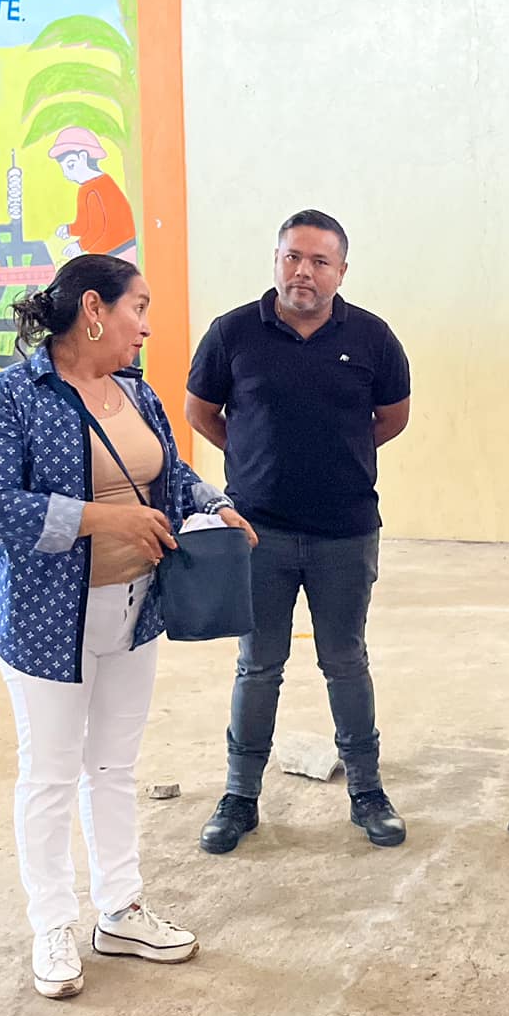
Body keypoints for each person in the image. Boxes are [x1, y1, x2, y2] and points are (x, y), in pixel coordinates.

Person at [0, 253, 254, 999]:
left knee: (114, 767)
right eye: (138, 307)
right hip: (46, 620)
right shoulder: (11, 398)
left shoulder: (137, 393)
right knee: (51, 773)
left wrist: (215, 504)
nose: (146, 325)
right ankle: (52, 923)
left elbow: (168, 473)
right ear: (94, 308)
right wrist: (102, 519)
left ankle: (120, 910)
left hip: (136, 608)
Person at [184, 209, 413, 854]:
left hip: (345, 532)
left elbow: (392, 417)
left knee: (346, 662)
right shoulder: (232, 333)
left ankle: (367, 791)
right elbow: (200, 411)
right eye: (293, 257)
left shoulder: (372, 337)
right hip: (258, 534)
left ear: (341, 271)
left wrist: (338, 459)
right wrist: (252, 461)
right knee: (258, 666)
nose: (303, 271)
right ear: (276, 260)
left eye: (319, 261)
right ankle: (240, 796)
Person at [48, 126, 137, 261]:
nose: (67, 175)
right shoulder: (85, 188)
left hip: (120, 251)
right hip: (106, 253)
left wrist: (79, 246)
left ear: (83, 157)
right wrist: (69, 229)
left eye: (71, 165)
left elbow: (97, 227)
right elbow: (84, 224)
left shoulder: (100, 186)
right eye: (63, 169)